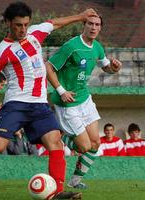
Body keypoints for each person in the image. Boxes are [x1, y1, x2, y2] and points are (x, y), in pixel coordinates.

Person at [0, 2, 98, 199]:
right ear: (8, 23)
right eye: (18, 25)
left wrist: (80, 16)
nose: (23, 29)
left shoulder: (34, 34)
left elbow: (54, 23)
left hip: (40, 106)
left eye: (26, 24)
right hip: (16, 106)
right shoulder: (2, 50)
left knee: (56, 143)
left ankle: (59, 192)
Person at [46, 14, 122, 189]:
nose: (93, 27)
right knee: (84, 147)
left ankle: (75, 181)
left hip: (84, 100)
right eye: (90, 24)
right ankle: (58, 136)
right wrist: (61, 91)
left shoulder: (97, 47)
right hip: (68, 103)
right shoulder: (71, 46)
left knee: (95, 144)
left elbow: (106, 67)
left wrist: (114, 69)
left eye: (97, 24)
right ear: (84, 25)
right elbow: (48, 67)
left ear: (100, 27)